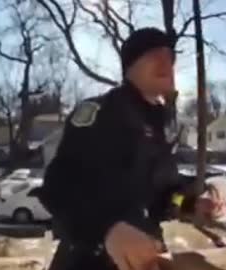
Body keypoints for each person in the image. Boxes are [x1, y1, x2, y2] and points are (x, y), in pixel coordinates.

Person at [39, 27, 208, 270]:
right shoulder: (100, 113)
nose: (166, 63)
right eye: (154, 56)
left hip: (145, 257)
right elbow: (58, 187)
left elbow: (164, 197)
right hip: (88, 260)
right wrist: (106, 229)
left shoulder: (164, 124)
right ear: (130, 67)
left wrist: (191, 203)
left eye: (169, 58)